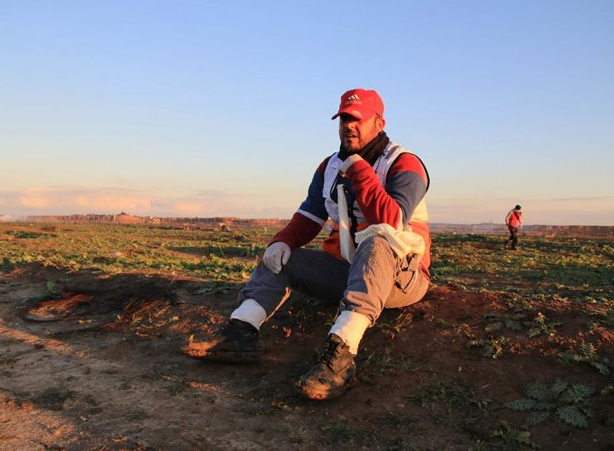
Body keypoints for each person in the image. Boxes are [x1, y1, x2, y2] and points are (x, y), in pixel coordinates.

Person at [184, 88, 431, 400]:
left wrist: (359, 170)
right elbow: (310, 215)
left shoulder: (405, 164)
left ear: (379, 123)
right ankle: (240, 333)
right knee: (281, 257)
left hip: (402, 279)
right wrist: (283, 240)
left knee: (379, 236)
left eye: (357, 119)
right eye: (343, 118)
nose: (348, 125)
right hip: (348, 271)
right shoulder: (328, 166)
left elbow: (392, 220)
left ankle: (340, 356)